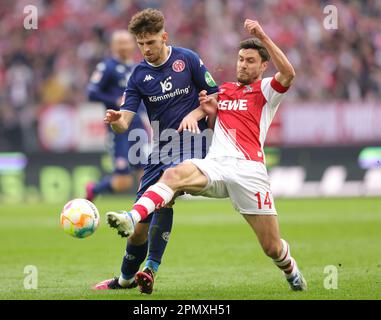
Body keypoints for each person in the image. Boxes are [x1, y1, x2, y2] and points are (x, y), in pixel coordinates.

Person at [107, 19, 307, 292]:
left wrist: (262, 36)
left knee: (271, 247)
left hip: (250, 170)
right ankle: (133, 218)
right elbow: (207, 104)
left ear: (263, 66)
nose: (243, 65)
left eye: (250, 61)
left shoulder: (266, 91)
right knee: (173, 175)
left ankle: (291, 270)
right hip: (215, 165)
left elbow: (289, 74)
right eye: (240, 59)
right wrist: (197, 113)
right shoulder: (222, 90)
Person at [93, 8, 219, 294]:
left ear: (164, 37)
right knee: (139, 232)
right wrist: (116, 121)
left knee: (166, 193)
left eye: (151, 42)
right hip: (160, 149)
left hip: (192, 142)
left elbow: (216, 93)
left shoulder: (187, 59)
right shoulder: (138, 75)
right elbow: (126, 119)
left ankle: (150, 268)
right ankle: (125, 280)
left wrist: (197, 113)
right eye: (141, 44)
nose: (146, 49)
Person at [85, 30, 148, 201]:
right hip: (118, 129)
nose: (124, 46)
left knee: (145, 173)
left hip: (138, 127)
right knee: (123, 182)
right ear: (113, 46)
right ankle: (95, 188)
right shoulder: (107, 67)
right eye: (120, 42)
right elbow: (91, 92)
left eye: (127, 42)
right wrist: (114, 99)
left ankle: (144, 213)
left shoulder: (138, 68)